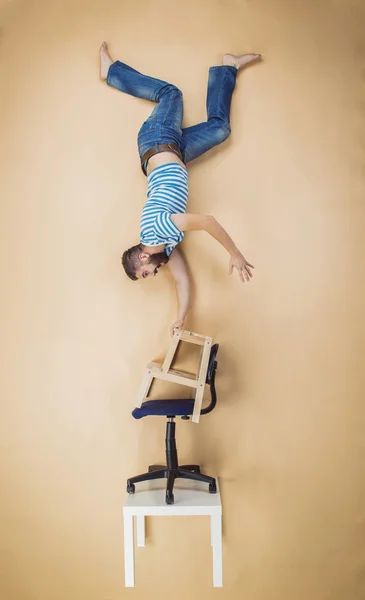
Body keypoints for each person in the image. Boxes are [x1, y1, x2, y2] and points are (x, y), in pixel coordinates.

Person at [99, 42, 261, 335]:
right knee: (220, 128)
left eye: (147, 273)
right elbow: (182, 281)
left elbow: (208, 222)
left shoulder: (157, 227)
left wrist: (234, 253)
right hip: (177, 152)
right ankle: (228, 66)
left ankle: (112, 72)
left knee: (171, 93)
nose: (154, 274)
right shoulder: (168, 246)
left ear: (144, 257)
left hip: (157, 140)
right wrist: (180, 318)